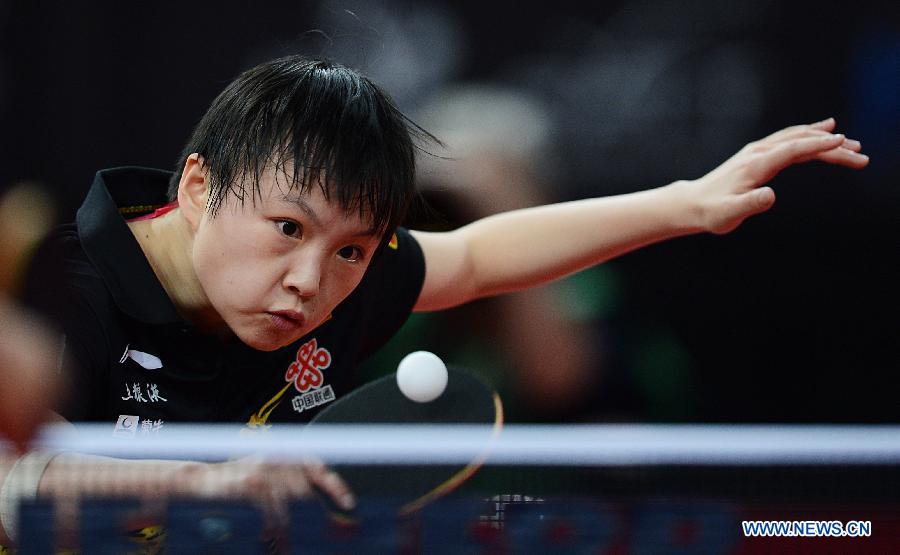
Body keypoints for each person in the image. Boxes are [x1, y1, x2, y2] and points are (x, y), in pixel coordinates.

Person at [1, 55, 868, 546]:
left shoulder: (338, 273)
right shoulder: (54, 286)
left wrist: (686, 202)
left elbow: (479, 255)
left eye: (352, 250)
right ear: (198, 185)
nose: (313, 280)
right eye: (285, 229)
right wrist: (211, 484)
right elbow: (17, 482)